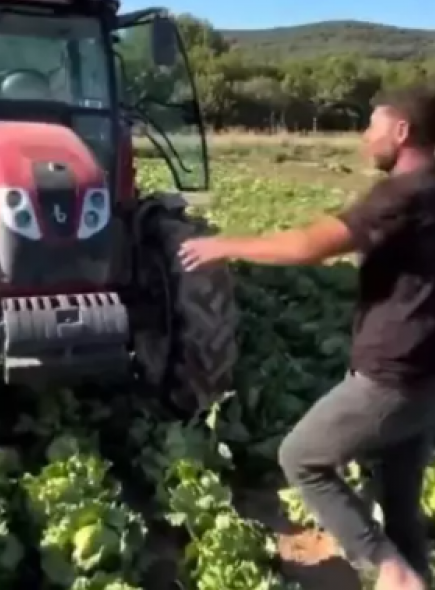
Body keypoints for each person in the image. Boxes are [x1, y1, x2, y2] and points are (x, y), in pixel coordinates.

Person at [178, 85, 435, 590]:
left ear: (402, 131)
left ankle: (390, 571)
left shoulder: (401, 196)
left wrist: (224, 244)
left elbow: (307, 245)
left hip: (392, 373)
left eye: (373, 125)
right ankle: (412, 574)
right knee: (399, 501)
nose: (365, 137)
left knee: (302, 458)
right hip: (428, 375)